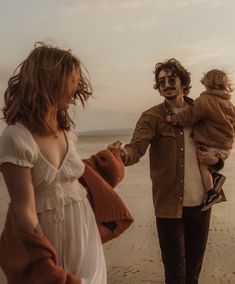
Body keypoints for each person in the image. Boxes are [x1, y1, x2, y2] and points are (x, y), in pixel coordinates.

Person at [108, 58, 224, 284]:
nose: (167, 84)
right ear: (158, 88)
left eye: (172, 79)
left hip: (202, 203)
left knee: (193, 272)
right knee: (175, 273)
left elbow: (220, 144)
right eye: (161, 82)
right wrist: (119, 155)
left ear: (184, 84)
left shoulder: (203, 113)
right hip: (168, 205)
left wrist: (216, 161)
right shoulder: (151, 117)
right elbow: (135, 149)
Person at [0, 42, 107, 284]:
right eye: (70, 80)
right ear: (48, 81)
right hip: (46, 233)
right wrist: (44, 258)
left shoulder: (67, 132)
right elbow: (23, 209)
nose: (75, 87)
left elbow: (71, 178)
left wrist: (108, 160)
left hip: (83, 225)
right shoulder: (16, 137)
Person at [166, 69, 235, 211]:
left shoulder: (204, 101)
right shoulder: (229, 104)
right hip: (226, 147)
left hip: (213, 146)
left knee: (203, 166)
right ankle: (215, 178)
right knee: (207, 165)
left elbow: (189, 116)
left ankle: (211, 193)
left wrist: (172, 119)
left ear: (207, 83)